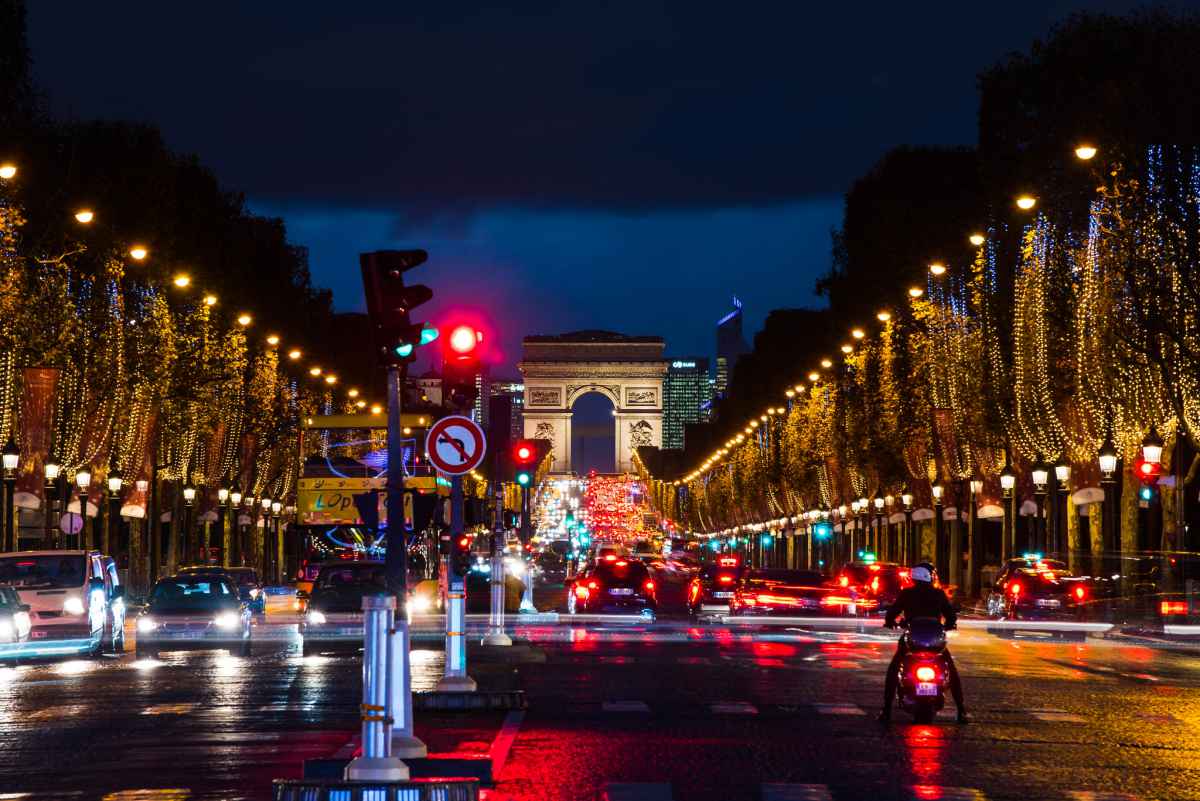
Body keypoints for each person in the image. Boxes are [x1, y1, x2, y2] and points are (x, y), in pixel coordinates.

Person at [878, 562, 967, 723]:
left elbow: (893, 612)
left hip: (912, 641)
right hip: (935, 643)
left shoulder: (907, 593)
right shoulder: (939, 594)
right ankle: (961, 710)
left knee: (894, 668)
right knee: (951, 670)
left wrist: (890, 621)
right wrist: (948, 625)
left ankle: (886, 710)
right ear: (929, 576)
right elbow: (951, 616)